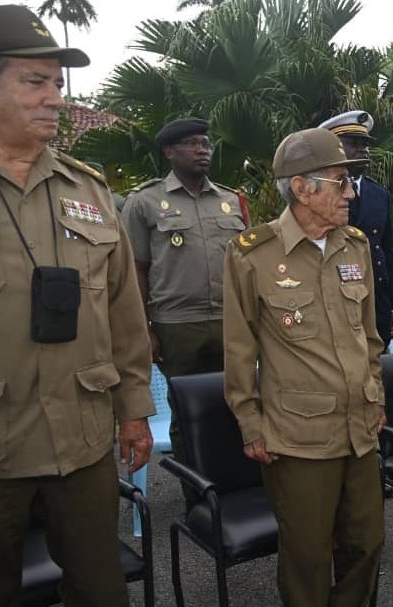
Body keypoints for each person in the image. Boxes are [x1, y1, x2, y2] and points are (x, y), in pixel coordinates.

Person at [0, 6, 154, 605]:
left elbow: (124, 314)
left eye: (58, 84)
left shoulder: (88, 190)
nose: (55, 99)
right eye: (35, 82)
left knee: (100, 589)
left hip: (81, 444)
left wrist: (134, 411)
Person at [223, 128, 386, 605]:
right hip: (298, 435)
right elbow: (238, 349)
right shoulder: (252, 254)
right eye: (340, 182)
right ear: (301, 188)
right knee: (308, 555)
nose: (351, 193)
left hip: (359, 426)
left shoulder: (354, 245)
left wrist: (376, 395)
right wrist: (250, 423)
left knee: (367, 543)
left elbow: (369, 336)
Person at [121, 117, 247, 483]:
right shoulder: (145, 202)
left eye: (205, 144)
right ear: (169, 152)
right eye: (192, 144)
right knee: (187, 412)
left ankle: (234, 486)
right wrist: (144, 329)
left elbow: (245, 265)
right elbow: (135, 270)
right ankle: (197, 492)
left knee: (237, 407)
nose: (202, 150)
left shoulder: (230, 200)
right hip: (176, 326)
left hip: (229, 322)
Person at [319, 110, 393, 346]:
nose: (362, 150)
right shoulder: (319, 192)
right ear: (335, 148)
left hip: (377, 300)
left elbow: (387, 252)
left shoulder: (379, 194)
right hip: (337, 297)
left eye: (365, 144)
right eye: (353, 144)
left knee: (376, 361)